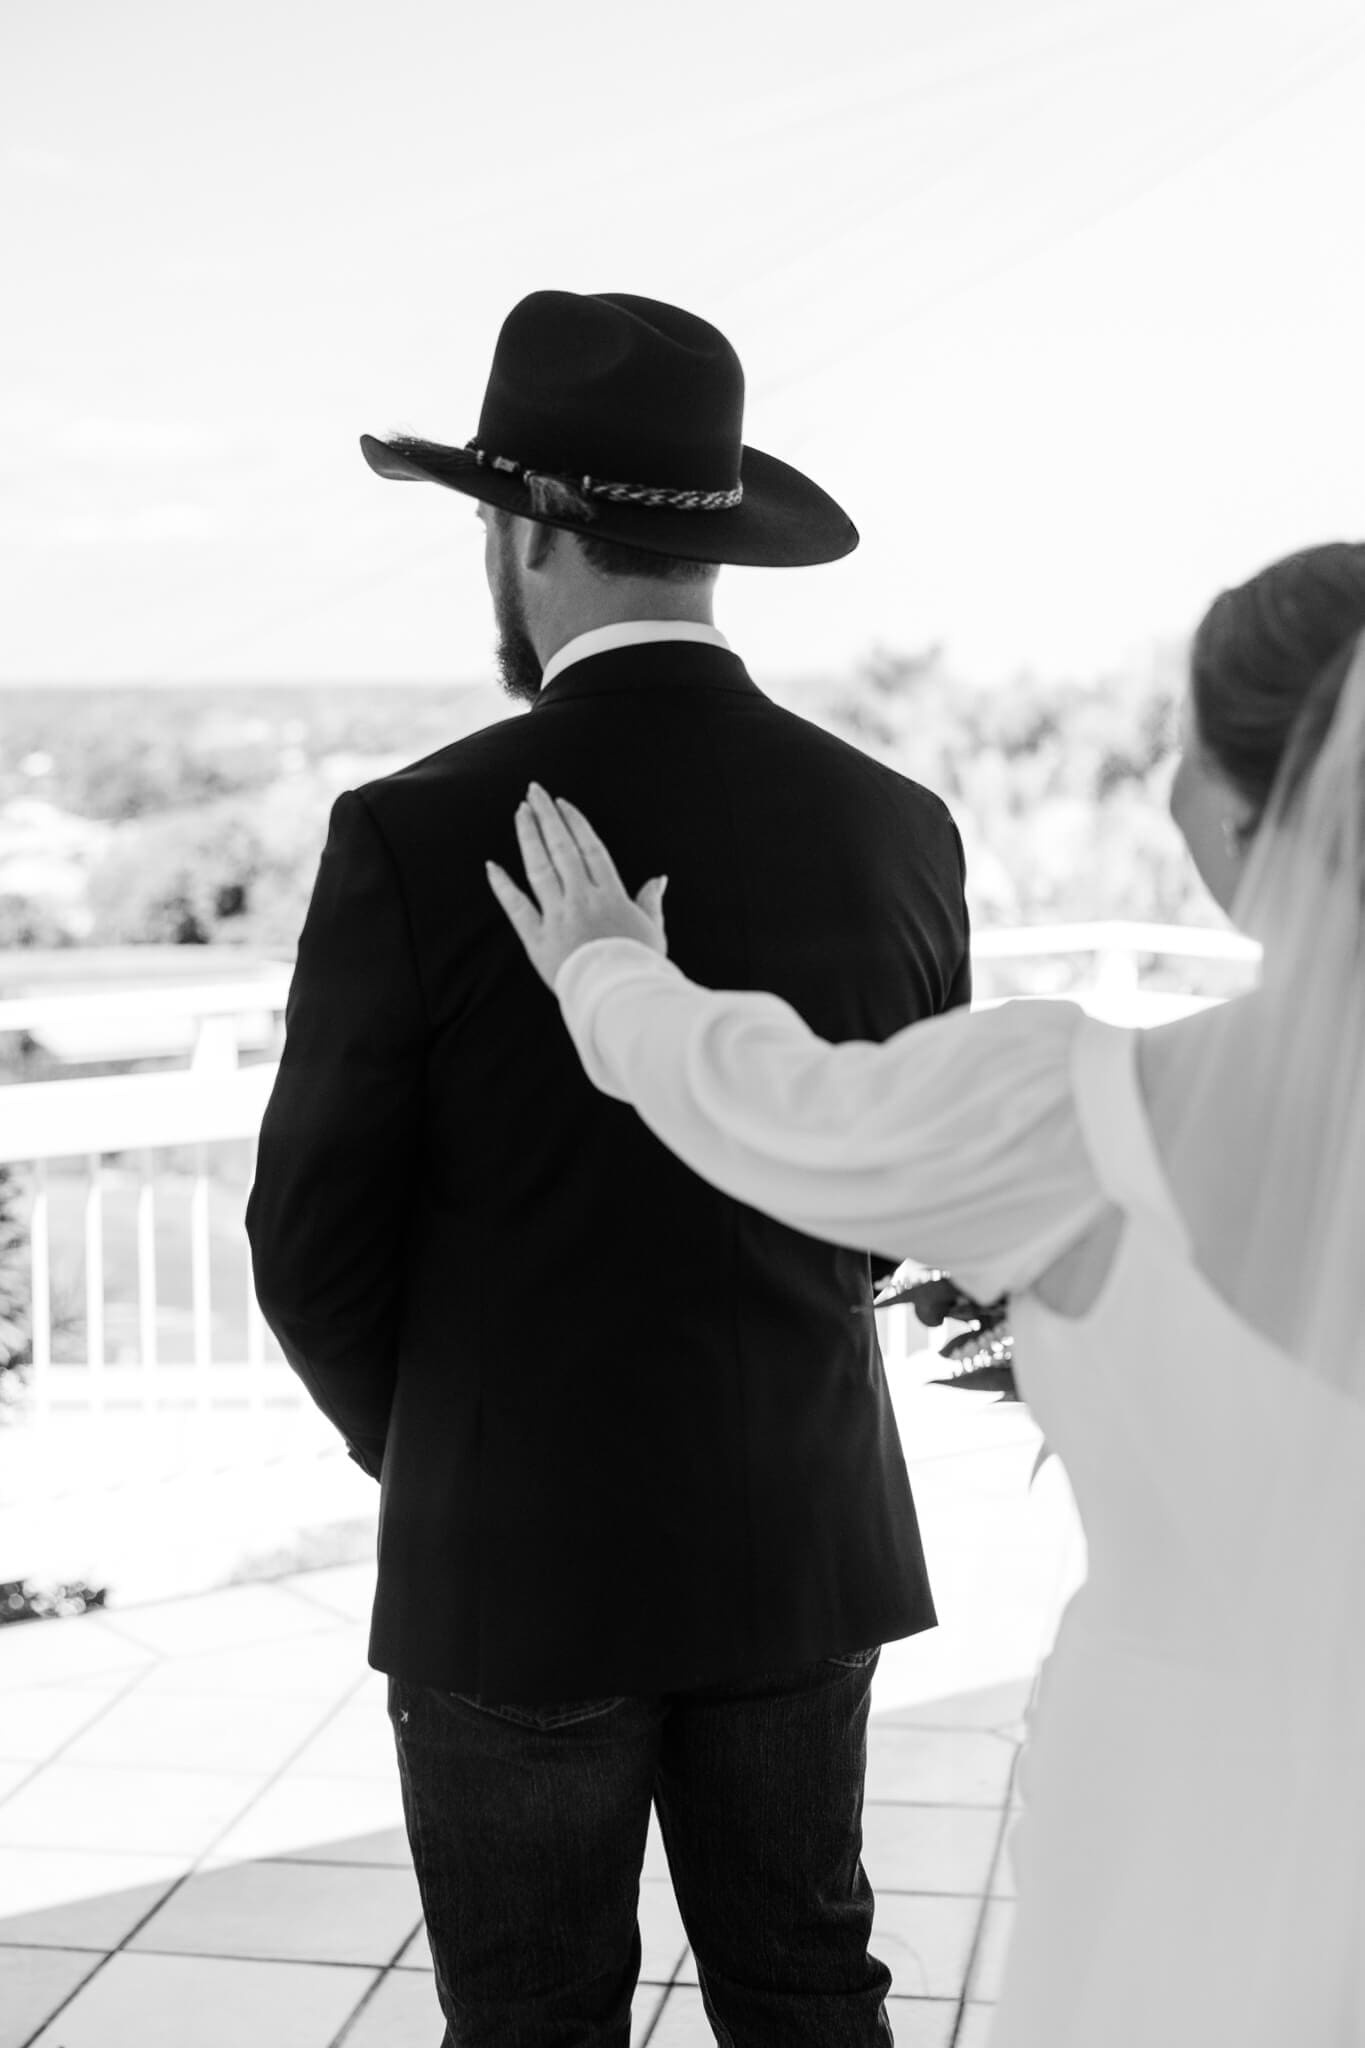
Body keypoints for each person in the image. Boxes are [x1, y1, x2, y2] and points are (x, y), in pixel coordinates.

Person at [489, 541, 1365, 2046]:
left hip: (1179, 1810)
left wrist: (607, 972)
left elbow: (770, 1104)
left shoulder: (1076, 1123)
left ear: (1239, 813)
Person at [245, 290, 974, 2047]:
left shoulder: (412, 829)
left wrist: (443, 1447)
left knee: (530, 2024)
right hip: (799, 1531)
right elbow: (900, 1181)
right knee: (809, 1998)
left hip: (515, 1558)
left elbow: (308, 1242)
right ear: (714, 545)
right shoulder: (897, 825)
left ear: (524, 537)